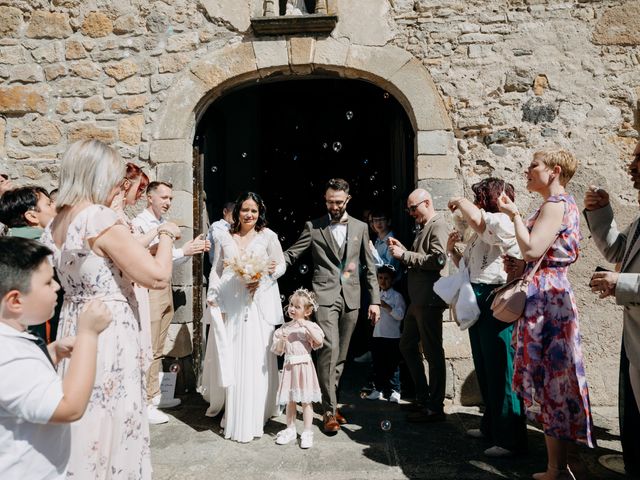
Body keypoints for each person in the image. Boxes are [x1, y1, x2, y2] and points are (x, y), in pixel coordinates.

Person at [41, 139, 180, 479]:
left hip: (73, 324)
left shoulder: (56, 222)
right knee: (113, 414)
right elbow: (156, 276)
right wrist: (166, 235)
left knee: (84, 414)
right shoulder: (98, 217)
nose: (120, 185)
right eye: (116, 177)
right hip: (108, 328)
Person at [498, 148, 594, 480]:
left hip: (548, 302)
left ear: (553, 171)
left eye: (533, 166)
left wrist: (512, 214)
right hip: (553, 295)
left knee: (553, 378)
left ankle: (555, 468)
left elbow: (532, 248)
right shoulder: (561, 204)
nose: (527, 170)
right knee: (559, 376)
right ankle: (571, 462)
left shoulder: (555, 205)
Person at [0, 237, 112, 480]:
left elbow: (25, 384)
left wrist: (52, 352)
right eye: (48, 282)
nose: (57, 287)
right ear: (16, 301)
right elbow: (68, 407)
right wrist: (88, 334)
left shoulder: (11, 343)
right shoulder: (8, 356)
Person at [284, 178, 381, 433]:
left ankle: (333, 403)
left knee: (340, 356)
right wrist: (267, 261)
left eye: (338, 202)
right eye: (329, 201)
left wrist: (375, 301)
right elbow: (293, 253)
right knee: (329, 349)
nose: (334, 206)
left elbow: (369, 267)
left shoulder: (360, 227)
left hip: (351, 297)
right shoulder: (313, 227)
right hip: (324, 297)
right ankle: (328, 412)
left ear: (347, 200)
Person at [446, 178, 527, 457]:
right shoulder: (479, 229)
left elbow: (485, 224)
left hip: (496, 298)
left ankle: (509, 437)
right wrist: (453, 252)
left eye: (479, 197)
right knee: (484, 366)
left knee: (501, 368)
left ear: (488, 199)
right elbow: (470, 267)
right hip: (478, 298)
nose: (475, 202)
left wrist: (460, 200)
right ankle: (491, 425)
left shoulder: (503, 221)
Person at [205, 191, 285, 443]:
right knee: (233, 355)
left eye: (254, 211)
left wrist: (263, 279)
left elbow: (280, 265)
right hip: (231, 302)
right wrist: (212, 294)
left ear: (260, 213)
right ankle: (234, 410)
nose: (249, 214)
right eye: (245, 210)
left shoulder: (268, 236)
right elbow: (217, 268)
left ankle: (255, 412)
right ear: (237, 211)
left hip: (256, 305)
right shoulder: (224, 236)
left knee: (255, 357)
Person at [584, 139, 640, 476]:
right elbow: (618, 252)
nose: (631, 166)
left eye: (638, 159)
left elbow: (622, 271)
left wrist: (620, 284)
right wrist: (600, 211)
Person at [132, 180, 210, 424]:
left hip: (164, 288)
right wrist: (182, 251)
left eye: (170, 199)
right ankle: (147, 401)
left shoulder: (160, 223)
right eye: (164, 197)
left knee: (159, 344)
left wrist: (186, 250)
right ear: (149, 197)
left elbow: (167, 260)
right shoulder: (139, 224)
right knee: (150, 344)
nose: (167, 202)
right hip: (149, 290)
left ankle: (155, 393)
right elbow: (141, 256)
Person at [389, 188, 448, 422]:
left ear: (427, 202)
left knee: (433, 353)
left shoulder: (438, 225)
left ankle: (435, 406)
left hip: (429, 300)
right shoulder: (424, 227)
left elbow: (438, 260)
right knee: (407, 346)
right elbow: (423, 256)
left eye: (413, 208)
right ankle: (423, 397)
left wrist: (404, 256)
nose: (411, 213)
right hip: (417, 301)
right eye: (409, 209)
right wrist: (404, 249)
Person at [0, 186, 59, 341]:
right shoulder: (37, 250)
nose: (56, 206)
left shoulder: (9, 241)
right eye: (49, 204)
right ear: (32, 216)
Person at [271, 288, 325, 449]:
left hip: (304, 367)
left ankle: (307, 431)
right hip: (289, 368)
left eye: (297, 306)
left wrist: (306, 327)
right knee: (290, 400)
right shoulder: (284, 328)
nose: (292, 308)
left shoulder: (309, 326)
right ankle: (290, 429)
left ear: (307, 311)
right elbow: (278, 350)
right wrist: (282, 339)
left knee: (306, 401)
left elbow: (318, 342)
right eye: (291, 304)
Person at [366, 265, 406, 403]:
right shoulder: (375, 295)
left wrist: (386, 306)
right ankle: (379, 389)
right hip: (378, 335)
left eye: (386, 278)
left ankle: (395, 390)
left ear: (392, 280)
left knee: (393, 365)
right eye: (380, 278)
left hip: (392, 336)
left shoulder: (397, 296)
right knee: (378, 364)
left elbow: (400, 315)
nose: (383, 281)